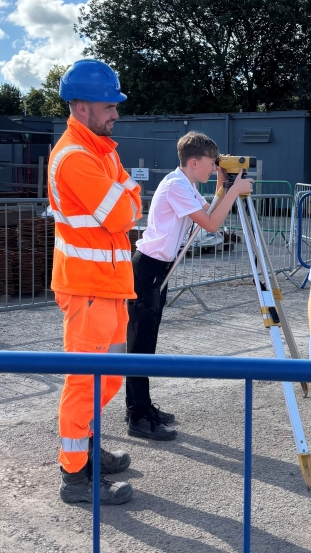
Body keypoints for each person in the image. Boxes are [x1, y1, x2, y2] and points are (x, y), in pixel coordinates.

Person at [48, 59, 141, 505]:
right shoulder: (76, 157)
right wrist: (124, 195)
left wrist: (124, 195)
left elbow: (127, 204)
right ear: (81, 108)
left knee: (108, 379)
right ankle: (76, 478)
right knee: (85, 383)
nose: (115, 115)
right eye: (109, 106)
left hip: (107, 288)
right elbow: (124, 212)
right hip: (88, 289)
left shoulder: (102, 151)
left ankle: (85, 446)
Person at [126, 131, 254, 440]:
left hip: (159, 268)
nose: (214, 168)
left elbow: (210, 214)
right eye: (212, 163)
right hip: (149, 268)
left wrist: (225, 187)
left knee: (147, 342)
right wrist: (234, 192)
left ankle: (141, 405)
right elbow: (211, 224)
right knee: (140, 344)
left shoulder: (187, 185)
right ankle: (137, 416)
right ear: (193, 162)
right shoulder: (177, 186)